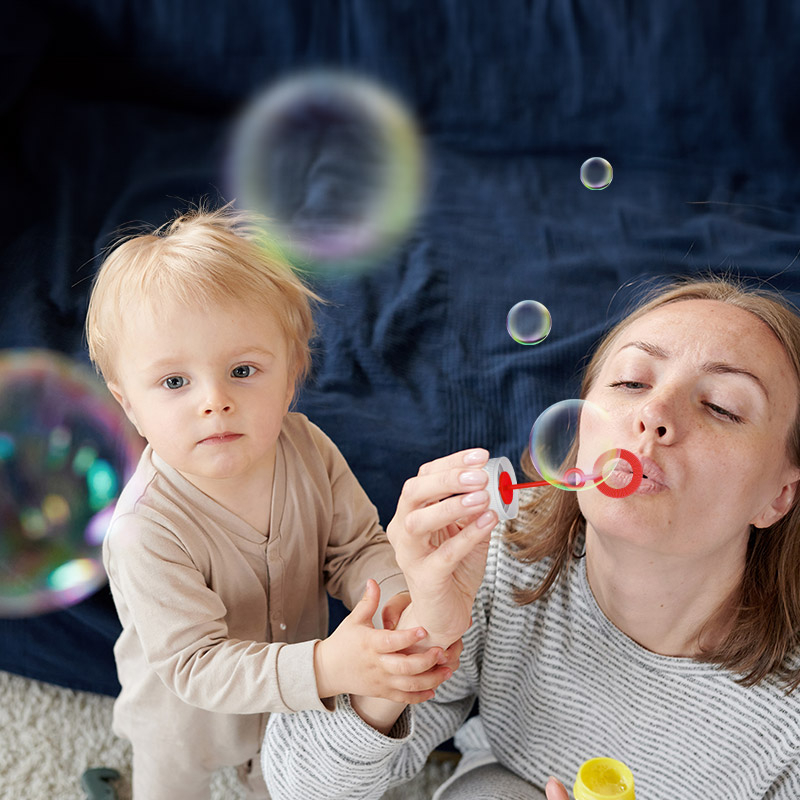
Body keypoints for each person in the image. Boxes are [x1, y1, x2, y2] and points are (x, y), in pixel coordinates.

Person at [262, 275, 800, 800]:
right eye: (632, 382)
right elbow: (301, 786)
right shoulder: (498, 550)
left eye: (722, 407)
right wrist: (422, 626)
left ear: (779, 496)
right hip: (507, 773)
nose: (653, 413)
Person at [84, 204, 460, 800]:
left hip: (292, 705)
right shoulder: (144, 530)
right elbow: (195, 665)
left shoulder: (307, 447)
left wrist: (400, 604)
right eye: (175, 382)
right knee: (171, 784)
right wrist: (327, 666)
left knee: (285, 782)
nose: (214, 400)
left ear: (290, 377)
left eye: (242, 370)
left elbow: (356, 549)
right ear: (127, 402)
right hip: (186, 719)